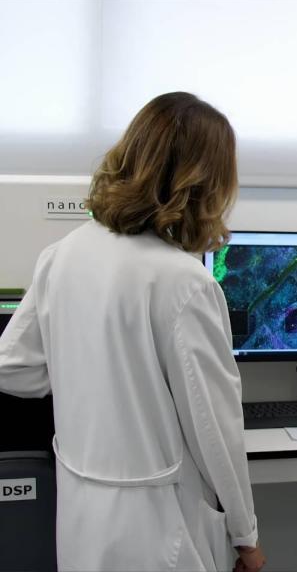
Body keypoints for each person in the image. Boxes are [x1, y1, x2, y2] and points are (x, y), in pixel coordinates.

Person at [0, 92, 265, 572]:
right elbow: (214, 430)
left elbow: (13, 368)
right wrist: (246, 536)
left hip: (81, 518)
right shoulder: (184, 281)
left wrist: (89, 372)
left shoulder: (63, 254)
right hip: (159, 527)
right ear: (204, 183)